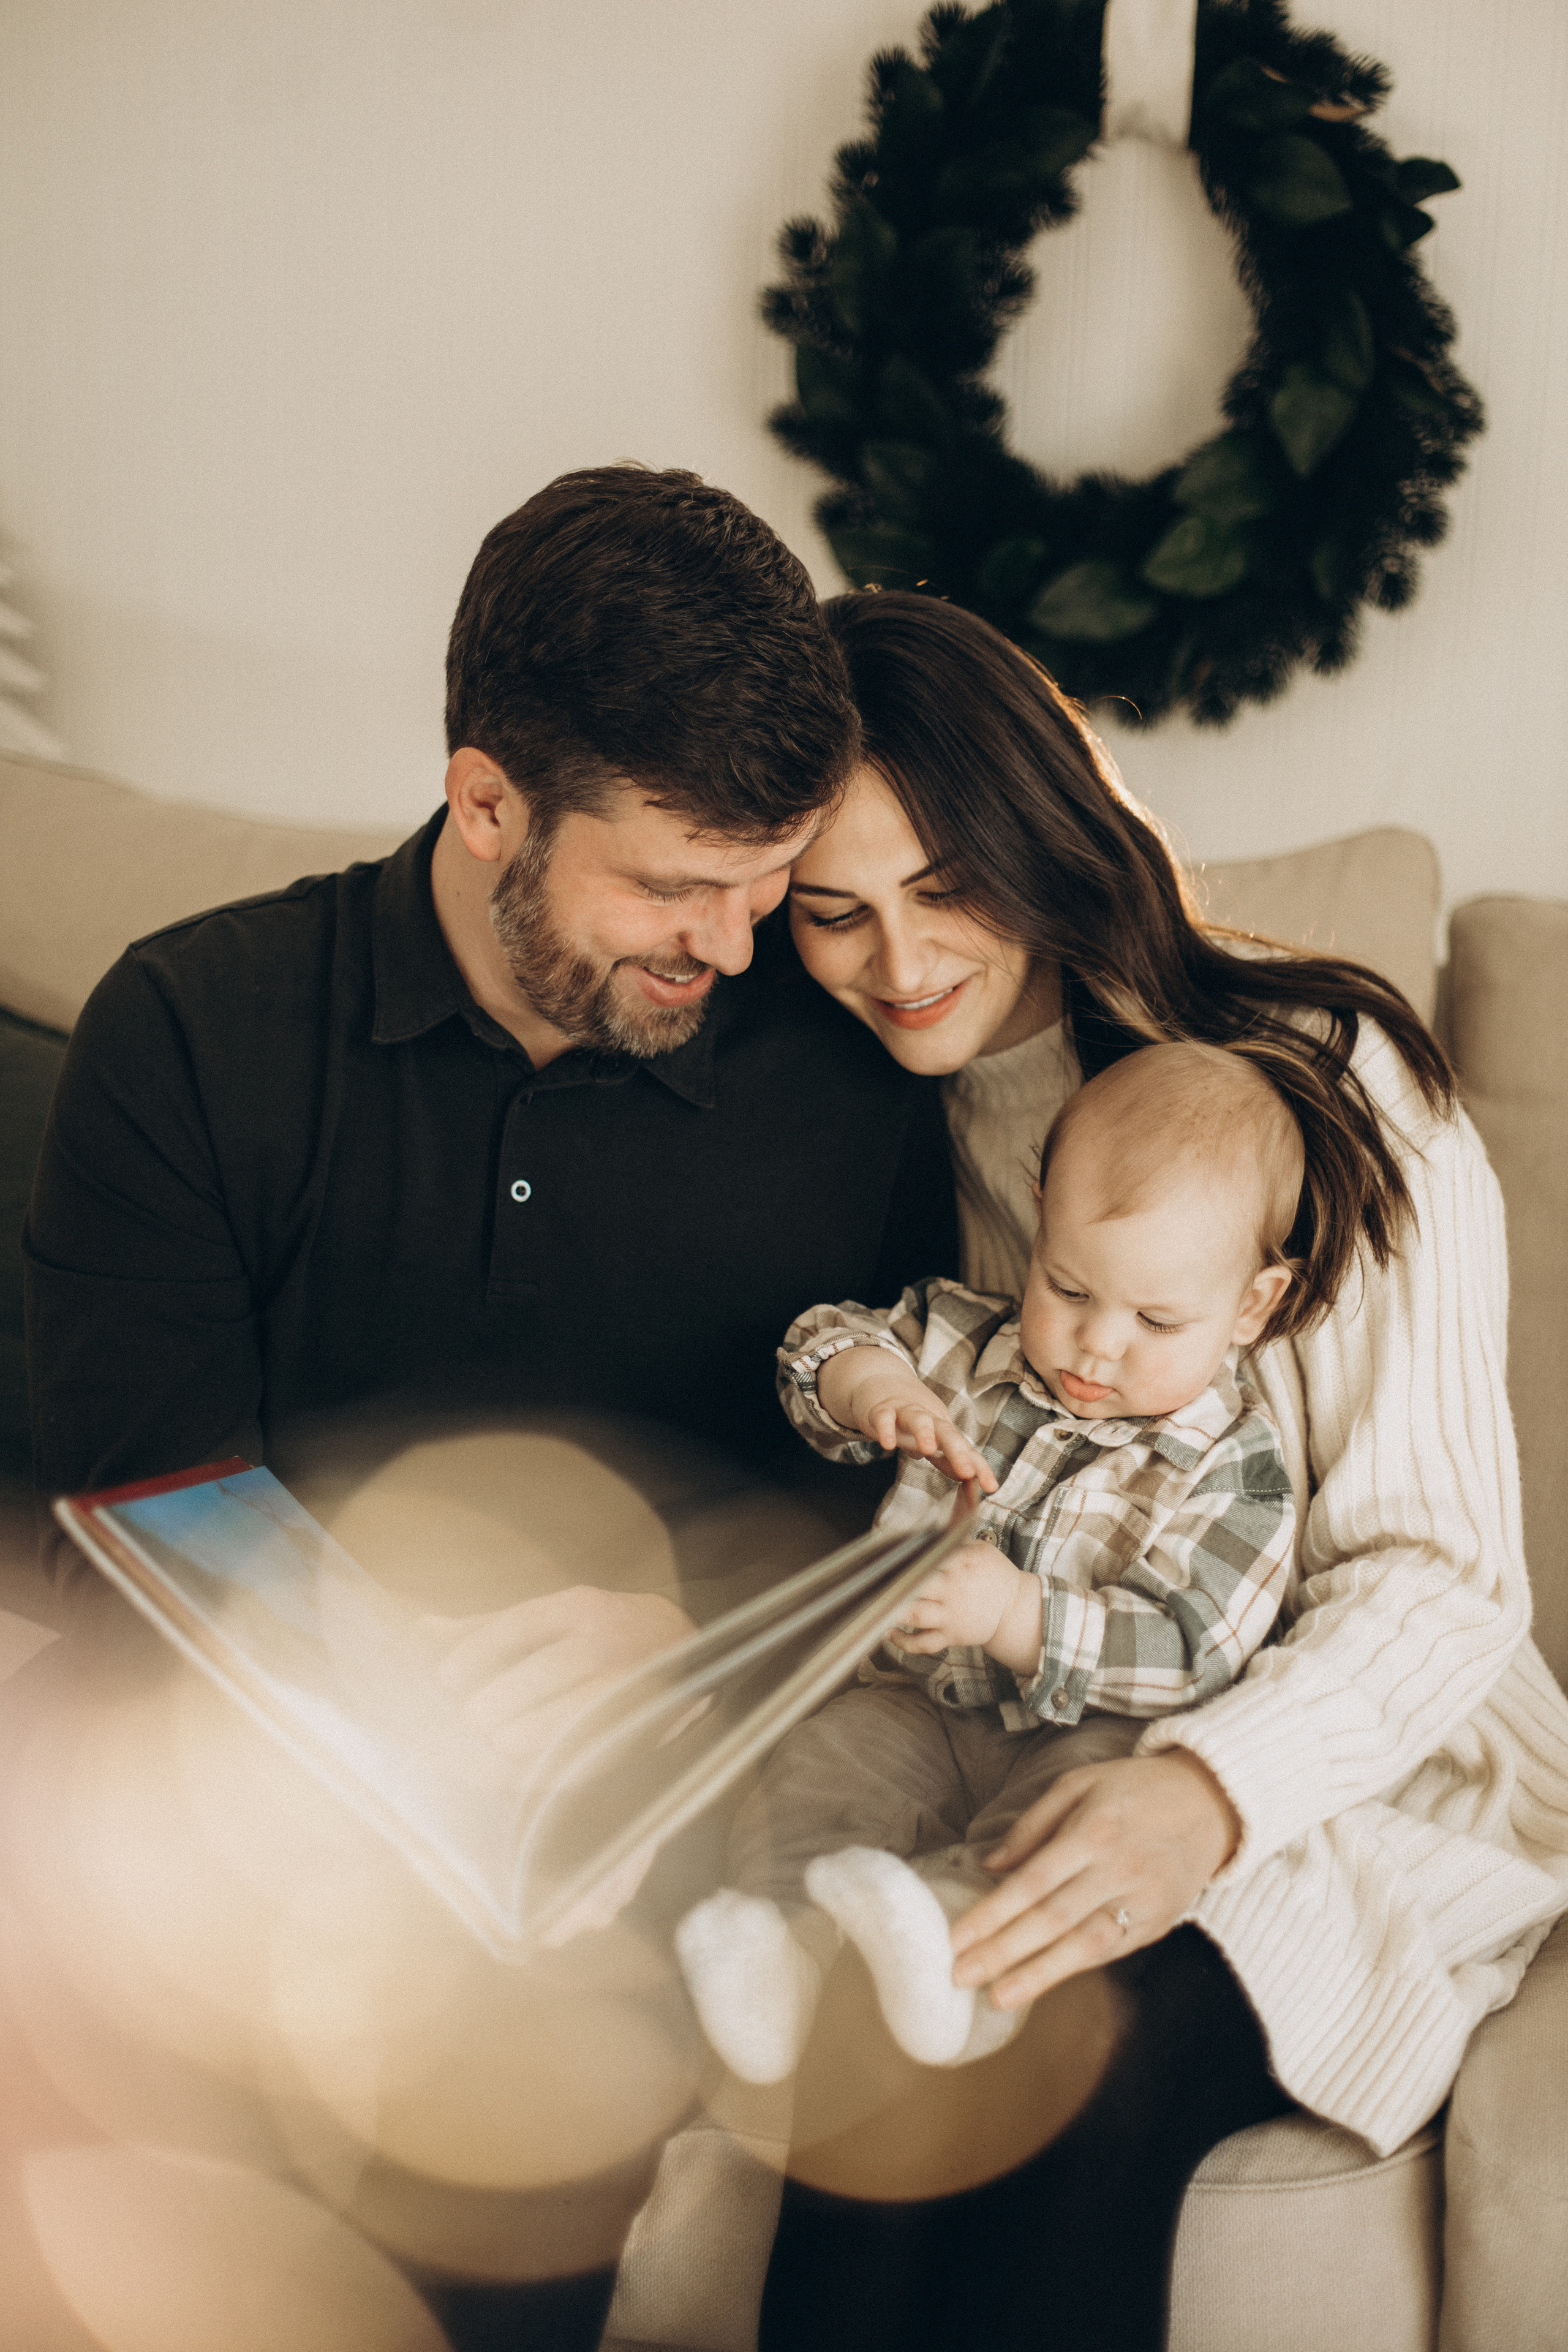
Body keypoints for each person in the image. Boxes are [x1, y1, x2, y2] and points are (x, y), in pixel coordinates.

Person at [20, 471, 961, 2351]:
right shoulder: (196, 1031)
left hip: (621, 1811)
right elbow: (143, 1494)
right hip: (241, 1755)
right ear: (486, 806)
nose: (739, 947)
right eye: (677, 889)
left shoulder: (842, 1095)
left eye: (769, 887)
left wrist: (678, 1634)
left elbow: (868, 1525)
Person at [749, 588, 1568, 2352]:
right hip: (1012, 1717)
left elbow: (1441, 1576)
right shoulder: (845, 1112)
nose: (897, 963)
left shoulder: (1331, 1086)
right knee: (881, 2014)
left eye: (944, 888)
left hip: (1352, 1764)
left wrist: (1210, 1790)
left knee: (1062, 2044)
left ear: (1050, 832)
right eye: (833, 913)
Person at [677, 1039, 1314, 2084]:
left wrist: (1021, 1616)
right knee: (823, 1767)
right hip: (914, 1699)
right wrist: (876, 1389)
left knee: (1055, 1840)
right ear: (1037, 1220)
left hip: (1089, 1730)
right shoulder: (961, 1340)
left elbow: (1197, 1649)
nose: (1096, 1346)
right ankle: (776, 1953)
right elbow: (817, 1342)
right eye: (1069, 1287)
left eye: (1157, 1320)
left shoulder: (1237, 1466)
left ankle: (951, 1967)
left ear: (1252, 1306)